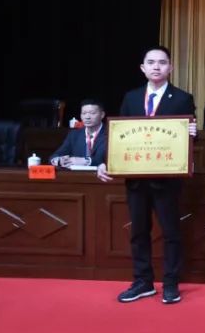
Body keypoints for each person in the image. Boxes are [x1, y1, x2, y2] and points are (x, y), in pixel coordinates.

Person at [97, 45, 197, 305]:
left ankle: (171, 283)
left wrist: (192, 134)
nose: (156, 66)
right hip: (137, 178)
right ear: (142, 68)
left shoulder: (182, 98)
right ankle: (143, 281)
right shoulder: (131, 98)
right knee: (139, 232)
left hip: (167, 180)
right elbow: (118, 136)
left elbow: (188, 138)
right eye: (151, 62)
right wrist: (105, 162)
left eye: (162, 62)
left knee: (171, 233)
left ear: (170, 67)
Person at [50, 99, 108, 168]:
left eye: (92, 113)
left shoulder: (110, 133)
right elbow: (55, 156)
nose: (87, 117)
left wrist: (86, 161)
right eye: (84, 113)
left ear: (102, 115)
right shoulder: (74, 135)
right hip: (78, 174)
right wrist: (60, 161)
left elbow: (107, 160)